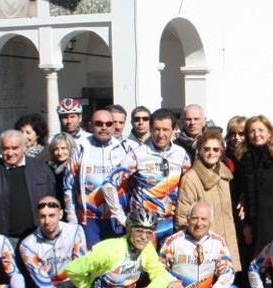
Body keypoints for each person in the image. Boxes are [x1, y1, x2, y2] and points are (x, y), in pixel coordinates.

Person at [102, 109, 191, 245]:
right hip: (144, 226)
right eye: (156, 129)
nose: (161, 134)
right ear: (150, 129)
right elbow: (108, 184)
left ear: (174, 130)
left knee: (168, 266)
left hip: (172, 224)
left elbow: (189, 187)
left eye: (166, 130)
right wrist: (121, 217)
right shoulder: (138, 154)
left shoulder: (181, 154)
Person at [0, 129, 56, 247]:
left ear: (24, 147)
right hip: (5, 241)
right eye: (6, 148)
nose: (10, 153)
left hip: (39, 238)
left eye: (15, 148)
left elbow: (54, 201)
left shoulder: (42, 170)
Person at [233, 115, 273, 256]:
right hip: (253, 222)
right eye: (252, 131)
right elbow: (239, 192)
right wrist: (245, 224)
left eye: (261, 130)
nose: (257, 134)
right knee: (255, 267)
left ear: (269, 133)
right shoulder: (243, 158)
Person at [64, 109, 132, 247]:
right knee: (93, 263)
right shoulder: (80, 148)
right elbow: (68, 184)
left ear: (114, 126)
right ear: (90, 125)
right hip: (89, 218)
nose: (104, 127)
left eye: (108, 124)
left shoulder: (125, 148)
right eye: (99, 123)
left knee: (116, 264)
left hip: (117, 217)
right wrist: (72, 219)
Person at [177, 129, 242, 272]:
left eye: (215, 149)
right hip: (205, 248)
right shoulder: (191, 178)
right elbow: (183, 218)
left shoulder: (226, 177)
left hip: (228, 244)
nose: (211, 153)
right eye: (206, 149)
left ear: (221, 152)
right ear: (199, 150)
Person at [44, 133, 76, 209]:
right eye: (56, 149)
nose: (59, 153)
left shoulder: (76, 168)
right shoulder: (47, 168)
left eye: (63, 148)